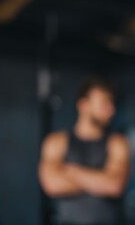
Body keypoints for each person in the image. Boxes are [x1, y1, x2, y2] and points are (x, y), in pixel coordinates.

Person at [39, 78, 130, 225]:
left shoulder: (118, 142)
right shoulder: (56, 142)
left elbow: (114, 186)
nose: (111, 109)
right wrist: (101, 178)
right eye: (104, 103)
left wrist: (70, 170)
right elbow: (52, 185)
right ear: (83, 105)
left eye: (112, 103)